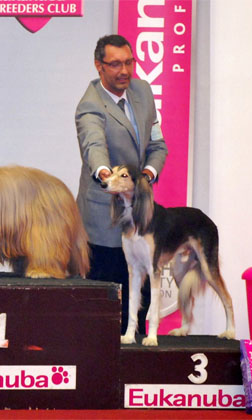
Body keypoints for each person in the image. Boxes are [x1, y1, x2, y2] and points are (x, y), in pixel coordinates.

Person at [75, 34, 168, 334]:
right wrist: (106, 175)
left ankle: (138, 353)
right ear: (99, 66)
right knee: (105, 316)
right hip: (104, 222)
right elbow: (93, 146)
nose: (124, 71)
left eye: (129, 62)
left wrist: (147, 176)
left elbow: (158, 144)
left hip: (140, 217)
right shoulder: (90, 105)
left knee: (140, 302)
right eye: (115, 64)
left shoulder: (143, 91)